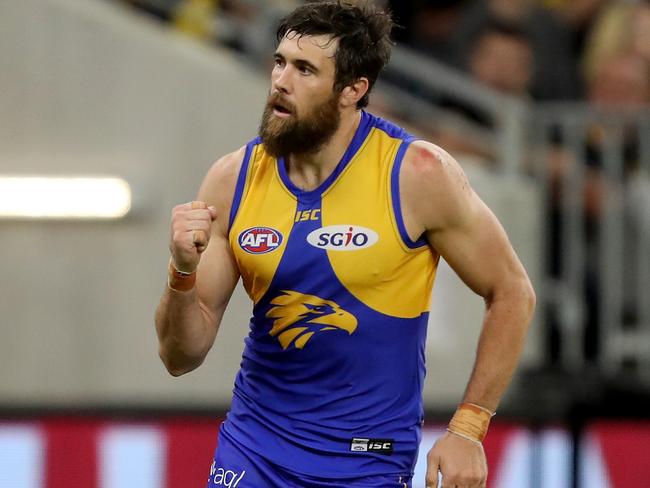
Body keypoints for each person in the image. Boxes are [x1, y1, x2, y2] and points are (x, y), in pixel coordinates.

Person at [154, 2, 536, 487]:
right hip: (254, 450)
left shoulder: (415, 175)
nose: (280, 81)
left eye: (305, 69)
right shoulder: (235, 180)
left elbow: (512, 292)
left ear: (353, 90)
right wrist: (181, 272)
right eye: (279, 62)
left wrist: (468, 428)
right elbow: (179, 357)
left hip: (366, 462)